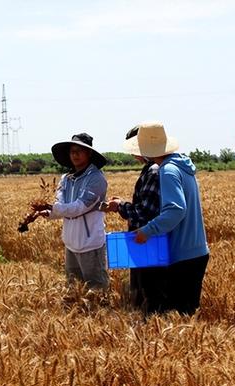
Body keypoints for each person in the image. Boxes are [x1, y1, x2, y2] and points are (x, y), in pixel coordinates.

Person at [125, 122, 209, 315]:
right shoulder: (182, 166)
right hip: (196, 251)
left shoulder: (168, 170)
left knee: (172, 316)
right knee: (186, 318)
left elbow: (176, 210)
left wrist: (147, 231)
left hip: (182, 254)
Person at [37, 133, 109, 291]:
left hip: (90, 244)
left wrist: (52, 208)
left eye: (79, 151)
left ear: (89, 153)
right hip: (70, 243)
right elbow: (60, 204)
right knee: (74, 289)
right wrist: (49, 213)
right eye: (72, 151)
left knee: (96, 290)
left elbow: (79, 207)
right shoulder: (66, 178)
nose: (74, 154)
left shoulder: (96, 179)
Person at [104, 125, 165, 311]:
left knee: (148, 294)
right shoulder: (152, 168)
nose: (132, 154)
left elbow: (144, 213)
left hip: (149, 242)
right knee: (144, 293)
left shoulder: (153, 171)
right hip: (147, 241)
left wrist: (120, 205)